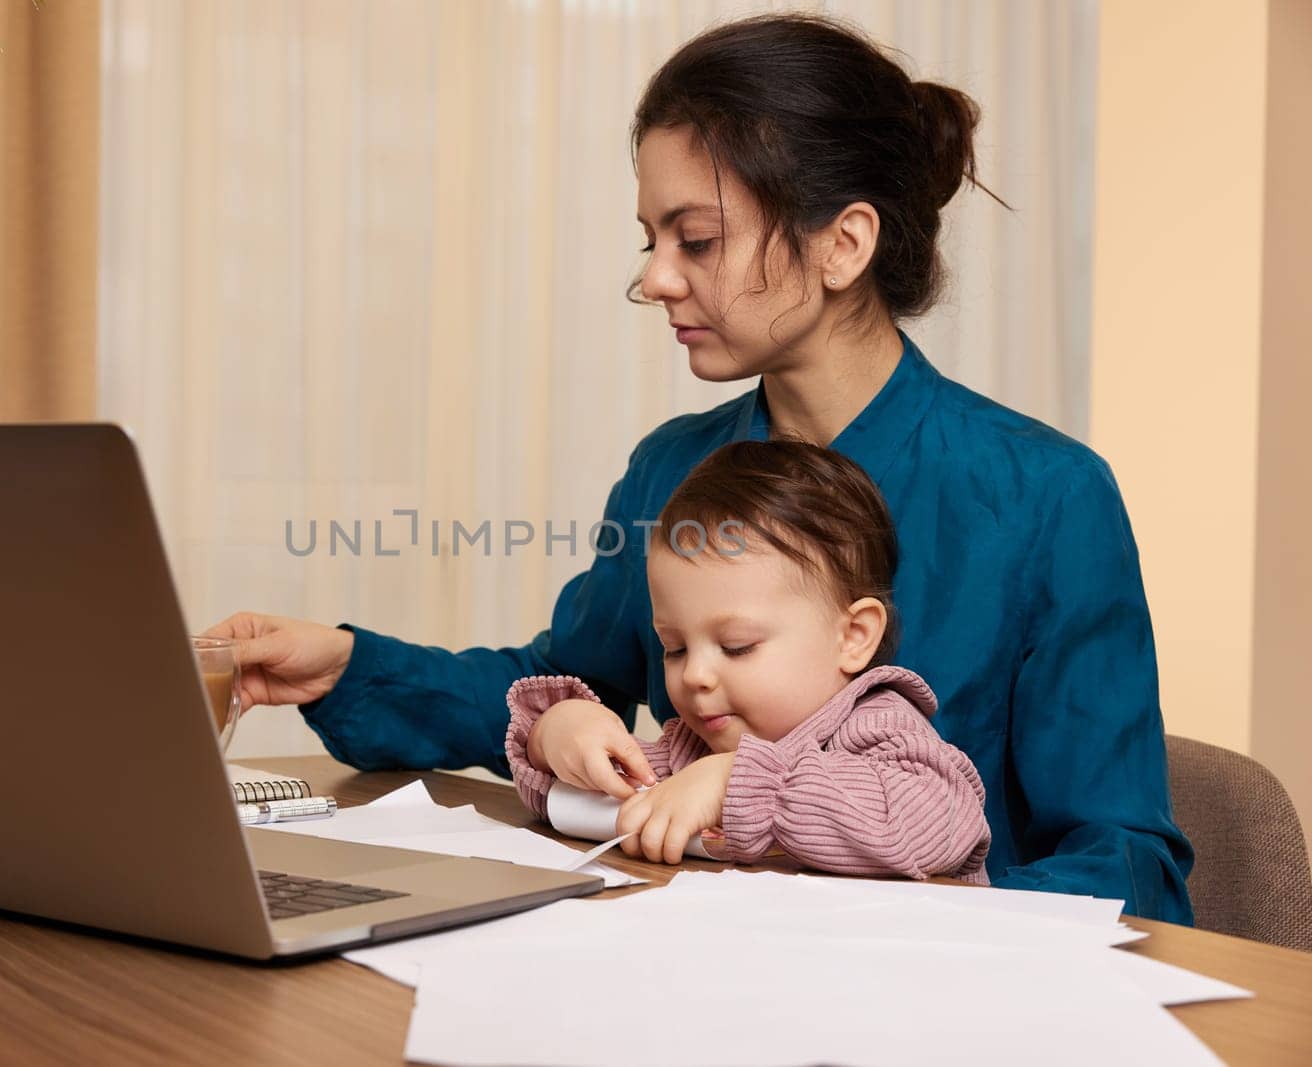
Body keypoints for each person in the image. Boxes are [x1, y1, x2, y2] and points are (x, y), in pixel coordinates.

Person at [207, 13, 1193, 921]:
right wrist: (347, 663)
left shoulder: (1045, 496)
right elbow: (566, 688)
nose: (655, 277)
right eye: (651, 238)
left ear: (843, 242)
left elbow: (1124, 859)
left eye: (698, 239)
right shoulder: (673, 468)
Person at [505, 439, 991, 880]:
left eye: (736, 646)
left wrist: (732, 782)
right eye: (674, 648)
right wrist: (557, 738)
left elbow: (937, 822)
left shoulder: (878, 726)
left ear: (854, 637)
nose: (694, 675)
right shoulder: (693, 751)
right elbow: (586, 804)